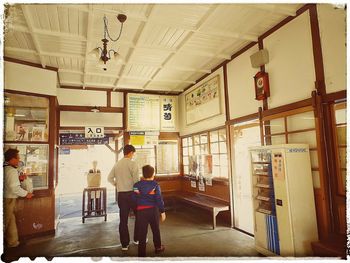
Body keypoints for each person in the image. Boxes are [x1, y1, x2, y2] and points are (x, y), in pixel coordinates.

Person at [107, 144, 140, 251]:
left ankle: (124, 245)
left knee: (123, 220)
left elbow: (109, 178)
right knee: (139, 216)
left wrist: (117, 184)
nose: (133, 155)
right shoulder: (133, 164)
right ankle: (137, 239)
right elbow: (136, 182)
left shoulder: (117, 164)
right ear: (130, 153)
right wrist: (138, 194)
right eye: (133, 153)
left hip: (121, 195)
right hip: (132, 194)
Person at [133, 165, 166, 257]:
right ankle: (158, 247)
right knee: (156, 230)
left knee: (142, 233)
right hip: (153, 211)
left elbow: (134, 198)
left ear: (143, 174)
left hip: (141, 212)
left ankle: (141, 254)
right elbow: (159, 199)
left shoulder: (136, 185)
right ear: (153, 174)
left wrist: (139, 204)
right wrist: (162, 211)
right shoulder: (155, 185)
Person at [4, 148, 34, 248]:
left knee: (10, 222)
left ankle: (13, 242)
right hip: (8, 199)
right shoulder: (11, 170)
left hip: (8, 198)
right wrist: (26, 194)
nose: (19, 159)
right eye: (18, 158)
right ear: (12, 159)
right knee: (5, 222)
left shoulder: (6, 168)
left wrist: (19, 179)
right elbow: (14, 188)